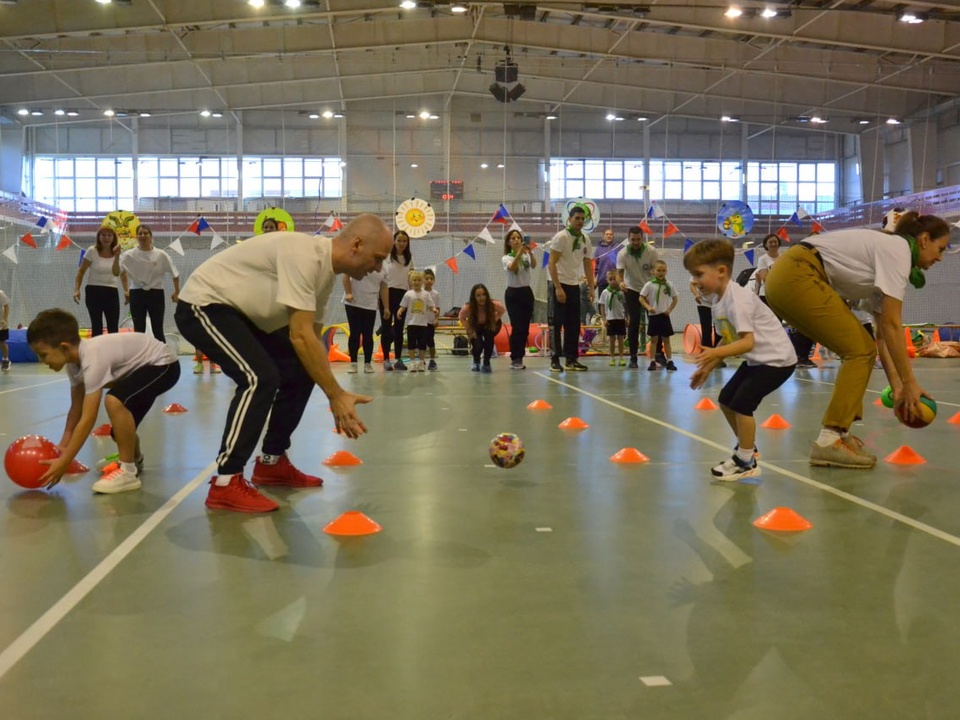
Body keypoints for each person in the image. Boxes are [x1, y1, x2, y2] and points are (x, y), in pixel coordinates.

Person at [174, 214, 393, 512]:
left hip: (243, 317)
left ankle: (271, 462)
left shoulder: (324, 276)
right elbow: (301, 336)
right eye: (378, 258)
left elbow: (310, 345)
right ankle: (226, 482)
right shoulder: (302, 254)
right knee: (258, 378)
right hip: (204, 306)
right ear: (356, 244)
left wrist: (329, 385)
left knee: (302, 370)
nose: (378, 267)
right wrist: (336, 395)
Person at [764, 211, 949, 469]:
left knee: (861, 348)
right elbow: (894, 325)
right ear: (925, 239)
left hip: (789, 276)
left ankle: (838, 434)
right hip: (798, 274)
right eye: (940, 248)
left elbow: (883, 335)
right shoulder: (898, 250)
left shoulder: (888, 254)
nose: (940, 257)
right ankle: (829, 440)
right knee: (860, 350)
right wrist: (910, 384)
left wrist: (897, 389)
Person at [27, 308, 180, 493]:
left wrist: (65, 461)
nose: (41, 360)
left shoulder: (92, 358)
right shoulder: (73, 365)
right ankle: (135, 461)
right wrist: (62, 447)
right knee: (120, 432)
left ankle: (128, 472)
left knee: (114, 401)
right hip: (142, 369)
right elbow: (76, 410)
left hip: (163, 366)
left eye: (43, 354)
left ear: (64, 347)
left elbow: (88, 418)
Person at [685, 240, 797, 481]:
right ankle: (747, 448)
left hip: (777, 359)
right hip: (759, 359)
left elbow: (746, 342)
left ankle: (745, 461)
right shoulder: (719, 302)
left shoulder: (739, 299)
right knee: (726, 400)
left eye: (698, 274)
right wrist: (707, 366)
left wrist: (714, 354)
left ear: (721, 271)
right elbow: (729, 339)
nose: (694, 281)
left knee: (743, 404)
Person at [547, 205, 594, 372]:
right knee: (556, 322)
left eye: (583, 219)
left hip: (574, 284)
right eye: (577, 218)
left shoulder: (585, 239)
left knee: (573, 324)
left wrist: (591, 287)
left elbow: (587, 264)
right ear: (569, 219)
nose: (580, 221)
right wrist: (558, 287)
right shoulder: (561, 237)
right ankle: (554, 359)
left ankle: (571, 359)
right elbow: (551, 263)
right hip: (557, 283)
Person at [119, 224, 180, 343]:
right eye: (140, 233)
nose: (143, 236)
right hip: (136, 294)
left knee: (157, 329)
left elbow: (175, 274)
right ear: (136, 237)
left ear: (151, 236)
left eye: (145, 233)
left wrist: (177, 291)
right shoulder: (128, 255)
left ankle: (162, 358)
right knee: (139, 330)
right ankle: (141, 359)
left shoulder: (161, 255)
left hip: (156, 294)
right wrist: (126, 290)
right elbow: (120, 272)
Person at [617, 225, 661, 368]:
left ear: (642, 238)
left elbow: (657, 269)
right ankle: (633, 357)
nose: (635, 242)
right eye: (633, 240)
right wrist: (621, 283)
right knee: (634, 322)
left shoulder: (651, 251)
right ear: (628, 239)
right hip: (632, 290)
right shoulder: (623, 253)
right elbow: (619, 273)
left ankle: (659, 355)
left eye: (638, 239)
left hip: (649, 289)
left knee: (655, 321)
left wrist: (656, 278)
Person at [74, 227, 121, 337]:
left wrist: (117, 256)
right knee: (97, 325)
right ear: (99, 237)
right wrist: (77, 290)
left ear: (113, 238)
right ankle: (97, 352)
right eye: (103, 235)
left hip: (111, 291)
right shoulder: (92, 251)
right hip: (94, 291)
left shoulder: (118, 252)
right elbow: (81, 272)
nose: (106, 238)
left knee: (113, 326)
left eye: (109, 235)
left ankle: (114, 352)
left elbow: (117, 273)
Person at [502, 228, 536, 370]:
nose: (516, 240)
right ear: (509, 243)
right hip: (513, 294)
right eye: (513, 238)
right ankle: (515, 357)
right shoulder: (506, 258)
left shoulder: (526, 256)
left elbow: (533, 265)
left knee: (525, 327)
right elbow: (512, 268)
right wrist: (519, 253)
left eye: (518, 238)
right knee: (517, 326)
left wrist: (530, 251)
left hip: (526, 292)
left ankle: (520, 356)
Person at [343, 265, 387, 374]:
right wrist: (348, 292)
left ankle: (368, 363)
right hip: (353, 302)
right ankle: (353, 363)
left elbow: (384, 287)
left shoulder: (384, 267)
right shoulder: (359, 260)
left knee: (368, 333)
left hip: (370, 303)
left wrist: (386, 307)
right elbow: (346, 275)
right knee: (355, 332)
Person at [380, 230, 412, 371]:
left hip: (402, 296)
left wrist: (411, 298)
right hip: (387, 293)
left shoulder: (409, 258)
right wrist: (385, 305)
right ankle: (386, 359)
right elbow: (382, 280)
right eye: (399, 240)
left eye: (404, 241)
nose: (402, 243)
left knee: (399, 329)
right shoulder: (386, 257)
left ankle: (398, 359)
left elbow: (411, 279)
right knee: (386, 327)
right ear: (394, 241)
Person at [639, 260, 678, 371]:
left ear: (666, 271)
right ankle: (652, 361)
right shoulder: (649, 285)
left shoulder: (669, 285)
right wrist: (648, 307)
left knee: (666, 339)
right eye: (659, 270)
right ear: (653, 272)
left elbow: (675, 299)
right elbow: (641, 298)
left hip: (664, 315)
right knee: (654, 339)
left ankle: (670, 360)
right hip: (654, 316)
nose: (661, 272)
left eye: (663, 270)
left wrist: (669, 309)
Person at [459, 283, 505, 373]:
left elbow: (502, 310)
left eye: (484, 295)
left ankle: (486, 363)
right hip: (476, 325)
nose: (482, 298)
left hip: (490, 324)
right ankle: (476, 361)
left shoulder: (493, 304)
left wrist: (494, 319)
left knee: (488, 337)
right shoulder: (468, 307)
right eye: (478, 295)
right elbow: (461, 317)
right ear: (474, 297)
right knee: (478, 344)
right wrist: (470, 329)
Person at [396, 270, 436, 373]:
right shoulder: (408, 294)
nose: (417, 282)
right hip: (411, 324)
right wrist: (399, 311)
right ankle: (412, 363)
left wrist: (434, 310)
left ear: (422, 281)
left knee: (422, 344)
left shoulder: (426, 294)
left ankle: (421, 362)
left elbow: (431, 305)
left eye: (419, 280)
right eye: (414, 280)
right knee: (411, 344)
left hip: (423, 324)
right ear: (411, 281)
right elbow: (403, 306)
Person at [598, 270, 626, 367]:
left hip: (621, 318)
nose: (613, 281)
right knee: (612, 339)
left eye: (615, 279)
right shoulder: (605, 292)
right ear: (607, 280)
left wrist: (627, 317)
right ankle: (612, 357)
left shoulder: (622, 292)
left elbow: (625, 305)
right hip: (610, 319)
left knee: (621, 339)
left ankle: (621, 357)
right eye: (610, 279)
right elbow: (602, 306)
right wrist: (604, 319)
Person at [594, 227, 620, 298]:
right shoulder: (599, 249)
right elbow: (596, 265)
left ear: (613, 236)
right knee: (602, 303)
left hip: (616, 281)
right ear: (603, 236)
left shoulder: (618, 247)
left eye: (611, 234)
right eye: (607, 234)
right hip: (602, 280)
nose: (609, 236)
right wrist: (594, 278)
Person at [423, 268, 441, 371]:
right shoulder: (419, 292)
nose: (429, 280)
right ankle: (422, 360)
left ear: (434, 280)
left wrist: (436, 319)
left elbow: (437, 308)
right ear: (423, 280)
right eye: (426, 278)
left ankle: (432, 360)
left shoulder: (436, 294)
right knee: (421, 342)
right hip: (420, 322)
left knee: (431, 341)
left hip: (430, 321)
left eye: (431, 278)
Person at [0, 288, 10, 372]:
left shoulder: (0, 293)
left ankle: (5, 360)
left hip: (0, 323)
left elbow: (6, 306)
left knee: (2, 342)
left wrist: (5, 319)